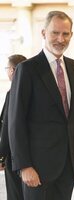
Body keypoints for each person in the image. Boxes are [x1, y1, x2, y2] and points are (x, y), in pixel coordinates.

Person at [8, 10, 74, 200]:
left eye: (65, 34)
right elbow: (16, 121)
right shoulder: (27, 69)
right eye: (55, 33)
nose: (60, 39)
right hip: (36, 168)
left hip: (67, 166)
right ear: (44, 33)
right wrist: (24, 165)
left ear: (71, 35)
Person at [0, 54, 27, 200]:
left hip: (13, 156)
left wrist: (1, 155)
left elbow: (7, 127)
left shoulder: (13, 93)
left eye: (7, 68)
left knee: (15, 195)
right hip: (30, 156)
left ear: (12, 70)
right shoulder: (33, 91)